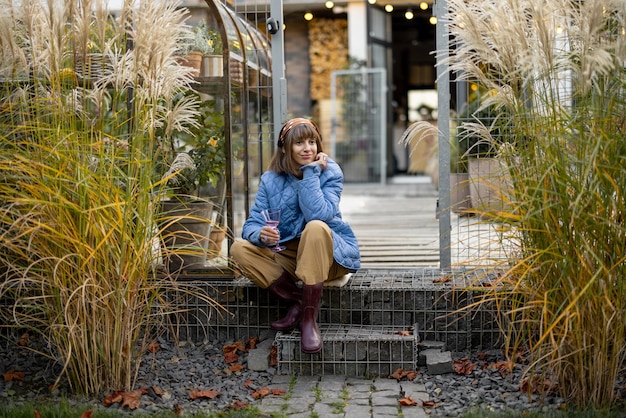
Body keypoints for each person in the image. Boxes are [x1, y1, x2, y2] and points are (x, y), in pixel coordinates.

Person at [230, 117, 360, 354]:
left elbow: (317, 215)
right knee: (239, 249)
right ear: (285, 147)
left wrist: (311, 173)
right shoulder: (270, 180)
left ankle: (309, 319)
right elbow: (250, 225)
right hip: (290, 253)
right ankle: (299, 300)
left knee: (316, 227)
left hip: (328, 255)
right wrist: (261, 234)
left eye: (312, 141)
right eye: (299, 143)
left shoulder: (330, 173)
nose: (308, 148)